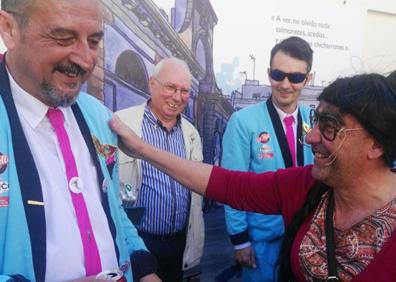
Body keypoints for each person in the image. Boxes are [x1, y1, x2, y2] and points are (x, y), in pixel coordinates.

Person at [110, 73, 396, 281]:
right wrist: (142, 149)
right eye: (317, 121)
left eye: (330, 127)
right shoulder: (307, 186)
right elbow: (228, 184)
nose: (311, 137)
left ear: (377, 145)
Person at [0, 0, 160, 281]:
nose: (86, 60)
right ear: (9, 29)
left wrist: (143, 267)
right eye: (64, 37)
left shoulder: (99, 116)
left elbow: (110, 207)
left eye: (95, 41)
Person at [222, 36, 314, 281]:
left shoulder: (314, 120)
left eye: (295, 77)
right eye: (278, 75)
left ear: (308, 79)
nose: (285, 84)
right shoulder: (243, 122)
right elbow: (232, 185)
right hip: (261, 244)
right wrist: (240, 241)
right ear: (268, 73)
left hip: (306, 240)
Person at [117, 57, 204, 282]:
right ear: (152, 84)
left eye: (184, 91)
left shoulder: (192, 134)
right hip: (138, 242)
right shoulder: (122, 124)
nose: (177, 97)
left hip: (178, 245)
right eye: (170, 87)